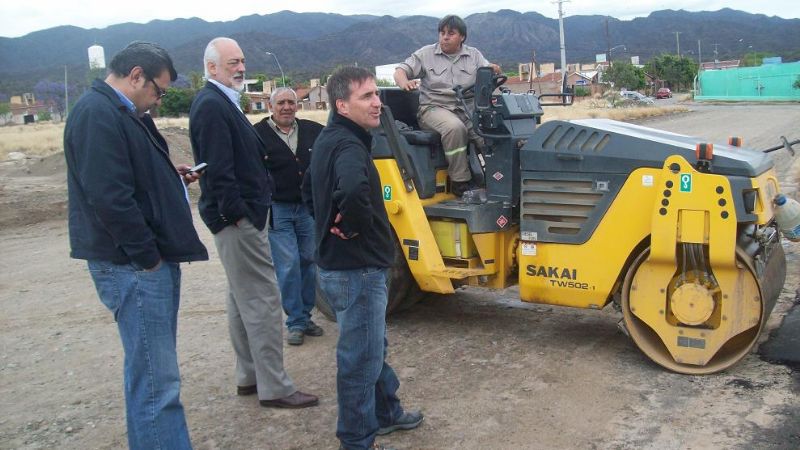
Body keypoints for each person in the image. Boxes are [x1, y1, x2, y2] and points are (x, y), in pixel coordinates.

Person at [64, 41, 208, 449]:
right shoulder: (97, 114)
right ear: (136, 76)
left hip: (141, 262)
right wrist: (147, 257)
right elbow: (109, 197)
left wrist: (169, 175)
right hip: (132, 266)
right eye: (158, 91)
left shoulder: (121, 113)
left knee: (151, 375)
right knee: (156, 381)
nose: (159, 100)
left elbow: (128, 177)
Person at [189, 37, 318, 409]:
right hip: (239, 220)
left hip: (238, 217)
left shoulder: (220, 102)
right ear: (212, 68)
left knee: (240, 297)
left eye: (243, 60)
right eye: (233, 62)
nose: (241, 67)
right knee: (262, 298)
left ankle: (248, 376)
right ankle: (275, 387)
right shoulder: (212, 105)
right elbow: (219, 171)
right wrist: (240, 214)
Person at [303, 66, 423, 450]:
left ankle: (386, 412)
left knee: (373, 346)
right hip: (357, 271)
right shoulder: (350, 146)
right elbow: (353, 190)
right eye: (367, 97)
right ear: (342, 105)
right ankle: (355, 439)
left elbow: (306, 188)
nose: (377, 103)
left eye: (376, 93)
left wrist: (325, 221)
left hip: (341, 268)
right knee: (360, 359)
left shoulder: (328, 138)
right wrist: (351, 227)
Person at [394, 14, 500, 197]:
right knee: (454, 128)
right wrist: (404, 82)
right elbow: (401, 71)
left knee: (490, 133)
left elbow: (487, 73)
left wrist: (494, 70)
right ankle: (460, 181)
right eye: (442, 33)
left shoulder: (474, 55)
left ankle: (499, 180)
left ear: (462, 37)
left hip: (467, 109)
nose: (445, 37)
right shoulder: (426, 54)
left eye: (451, 33)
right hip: (434, 108)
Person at [254, 88, 324, 346]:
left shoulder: (313, 130)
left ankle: (305, 317)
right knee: (288, 265)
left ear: (298, 106)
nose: (286, 107)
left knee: (308, 261)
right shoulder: (257, 134)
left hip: (307, 209)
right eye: (281, 103)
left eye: (291, 102)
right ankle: (294, 322)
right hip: (278, 210)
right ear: (271, 107)